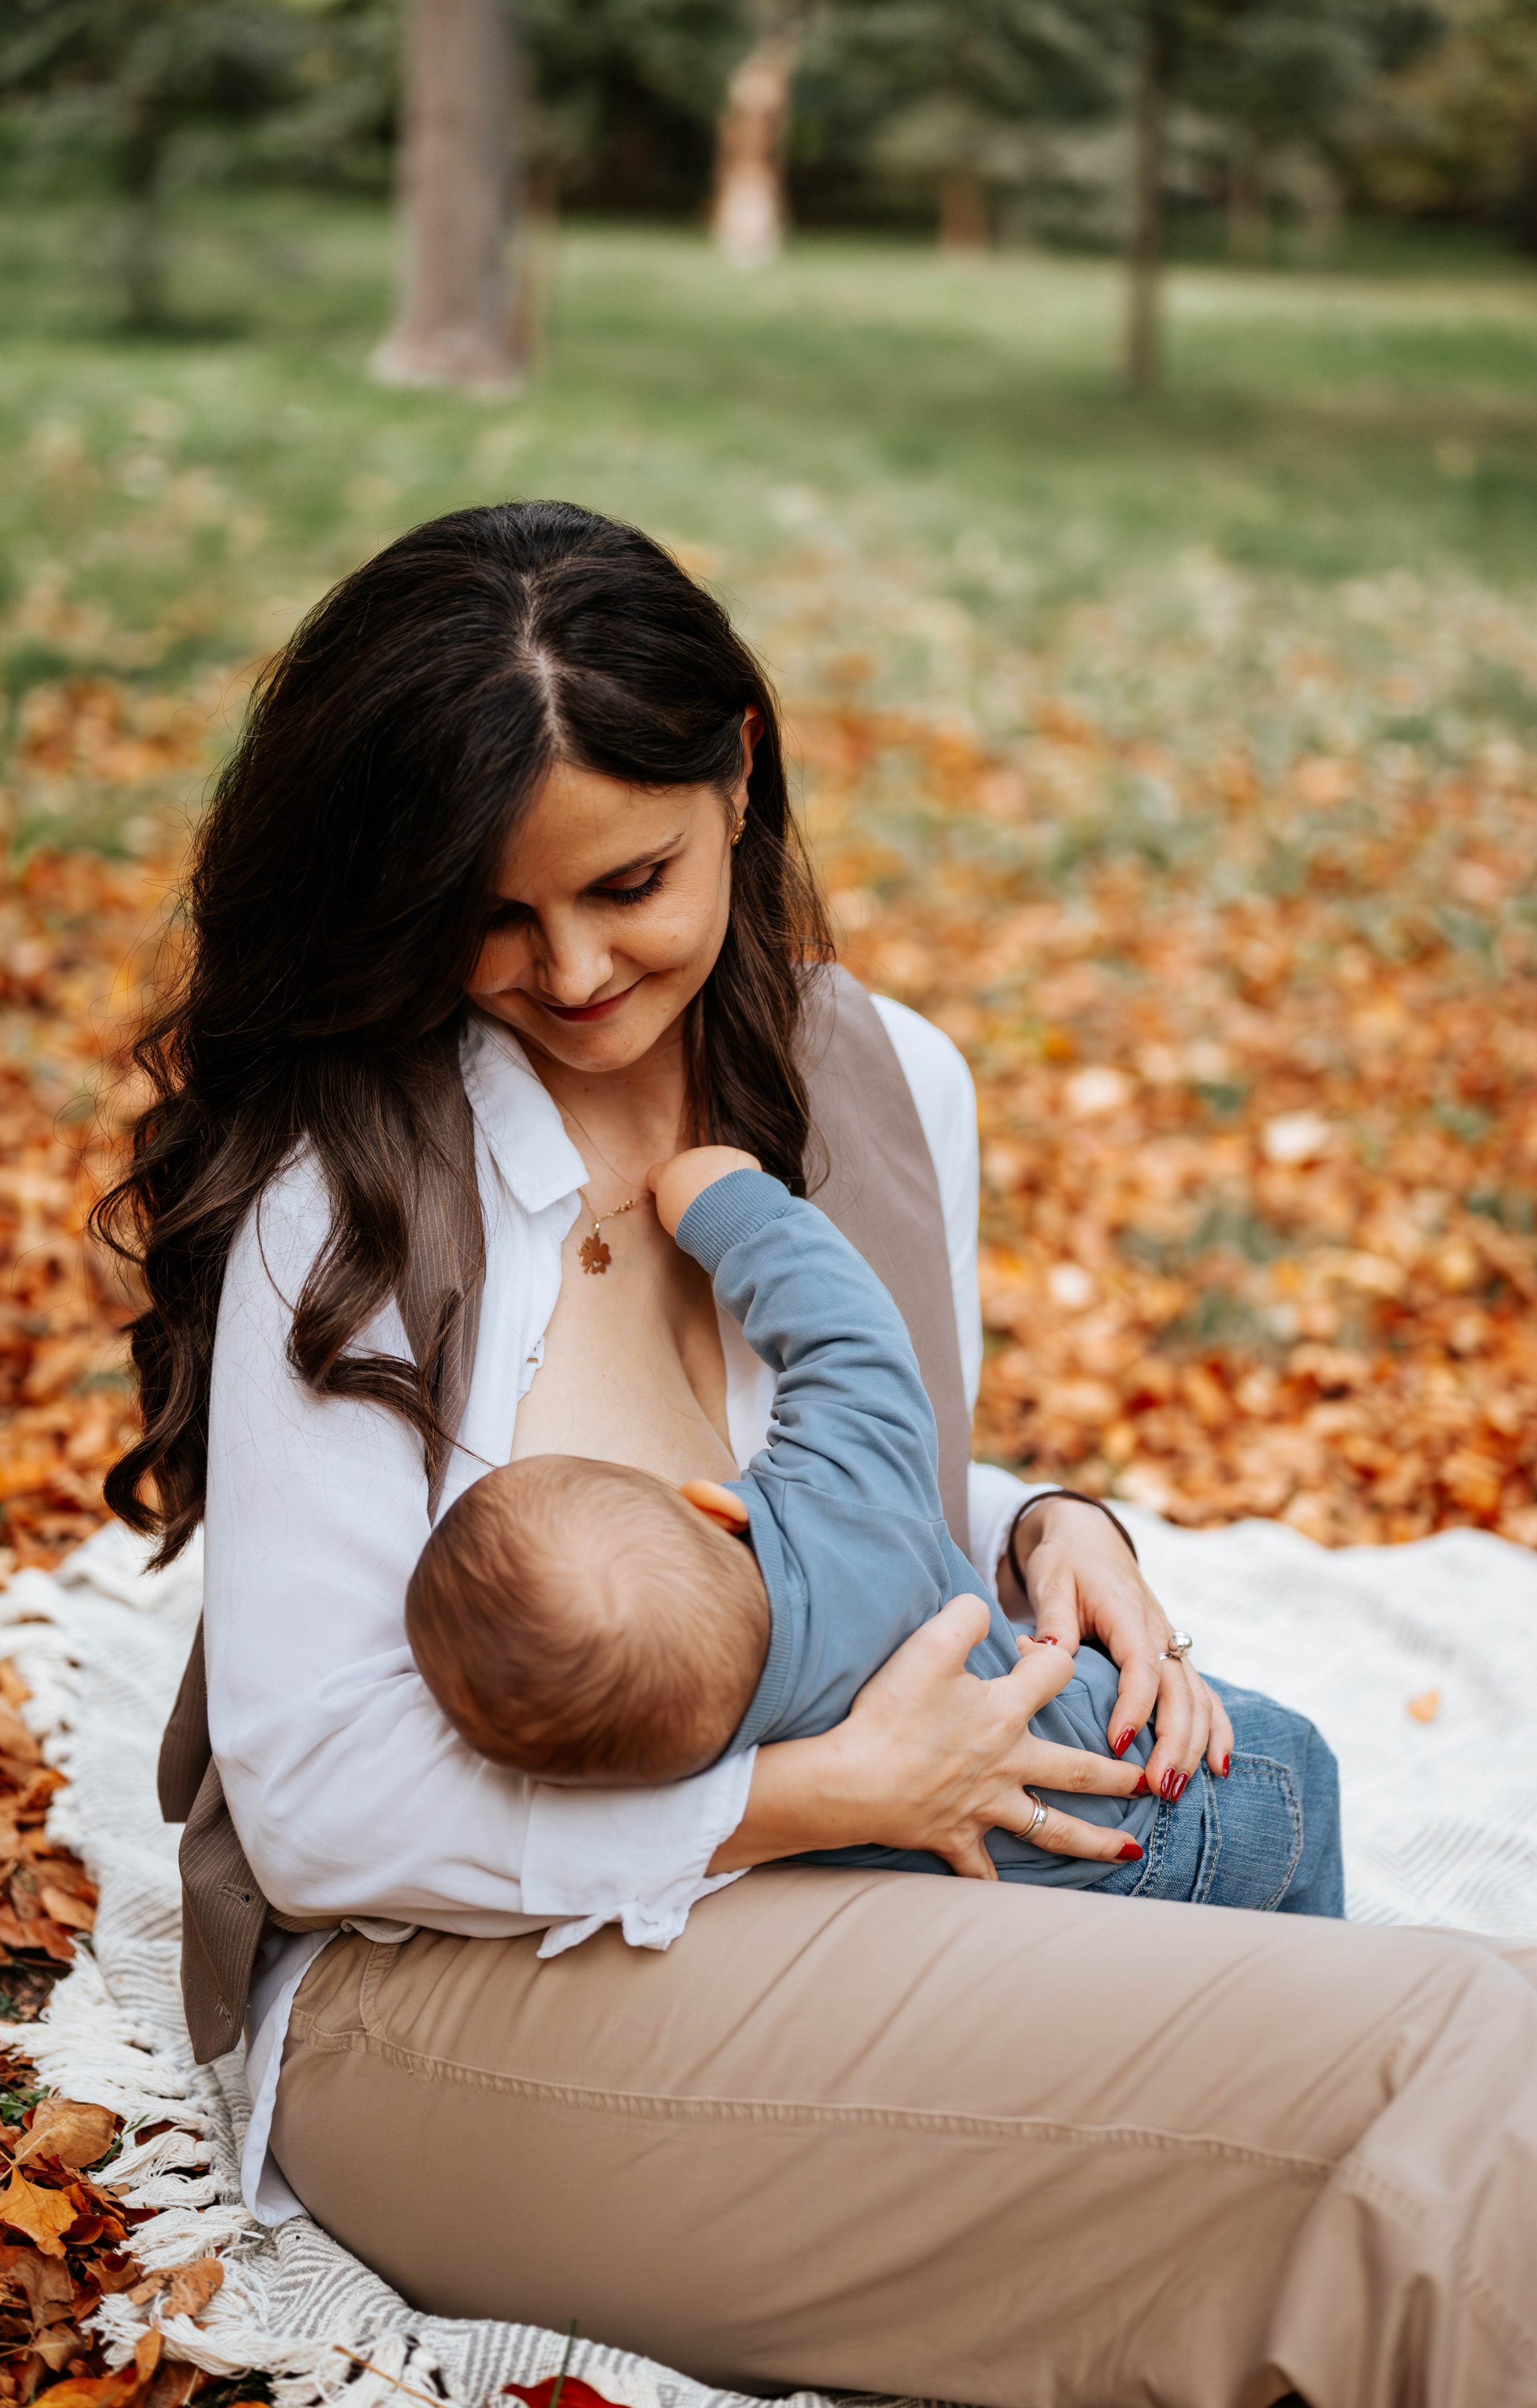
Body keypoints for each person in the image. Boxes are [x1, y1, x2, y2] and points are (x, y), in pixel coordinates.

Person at [101, 501, 1537, 2408]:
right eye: (495, 910)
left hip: (862, 1882)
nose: (575, 969)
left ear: (740, 775)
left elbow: (851, 1479)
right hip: (461, 1995)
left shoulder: (887, 1084)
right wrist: (805, 1791)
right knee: (1442, 2080)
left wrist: (1041, 1528)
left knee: (1451, 2022)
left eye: (631, 883)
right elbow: (317, 1805)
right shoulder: (347, 1197)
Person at [411, 1144, 1342, 1918]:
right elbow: (851, 1339)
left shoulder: (714, 1764)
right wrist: (727, 1208)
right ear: (711, 1503)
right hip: (1165, 1790)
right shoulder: (842, 1499)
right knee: (1305, 1776)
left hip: (1006, 1906)